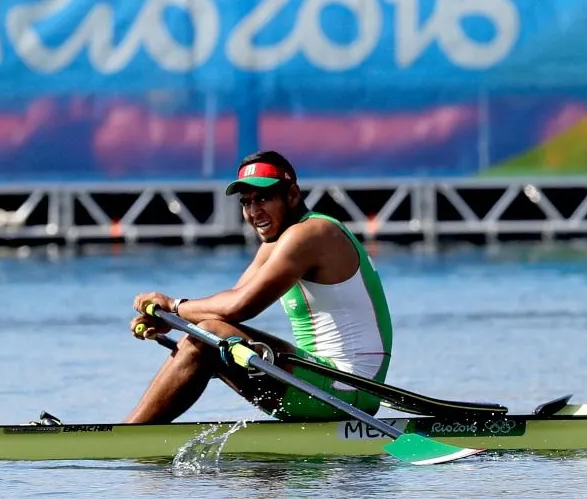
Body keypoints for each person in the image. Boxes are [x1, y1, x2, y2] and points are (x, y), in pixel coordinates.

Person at [125, 150, 393, 423]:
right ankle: (132, 435)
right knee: (207, 334)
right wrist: (175, 320)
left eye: (264, 198)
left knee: (209, 335)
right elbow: (225, 307)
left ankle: (126, 438)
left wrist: (174, 306)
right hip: (320, 382)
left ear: (292, 195)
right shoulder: (277, 243)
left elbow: (239, 308)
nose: (254, 212)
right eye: (246, 202)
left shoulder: (312, 233)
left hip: (347, 390)